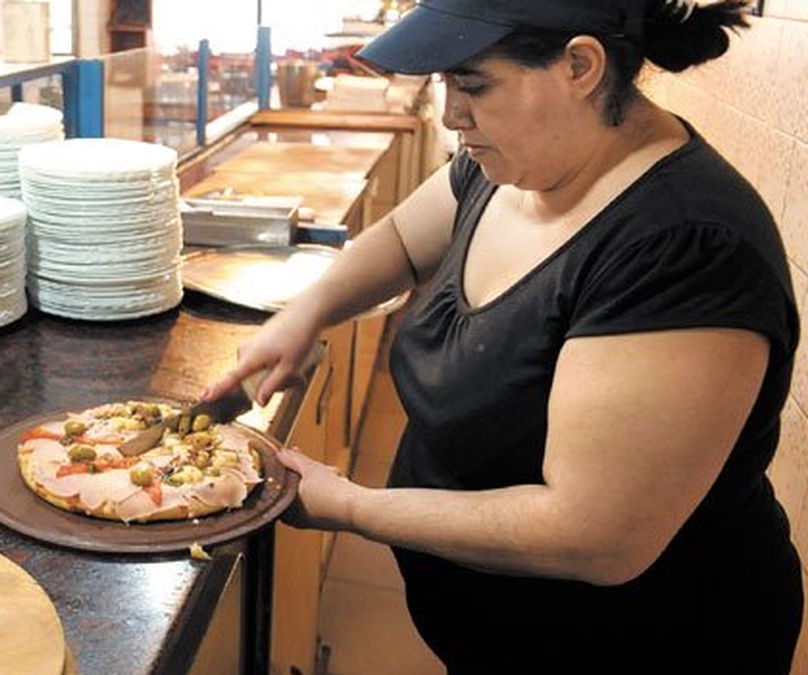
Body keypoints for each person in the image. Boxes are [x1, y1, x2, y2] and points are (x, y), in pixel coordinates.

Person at [202, 0, 802, 672]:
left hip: (642, 646)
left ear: (580, 65)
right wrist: (304, 313)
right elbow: (402, 240)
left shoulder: (684, 247)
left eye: (473, 84)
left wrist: (353, 505)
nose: (452, 114)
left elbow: (595, 536)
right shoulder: (511, 167)